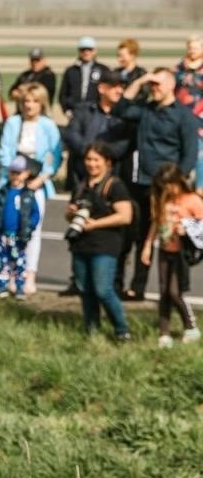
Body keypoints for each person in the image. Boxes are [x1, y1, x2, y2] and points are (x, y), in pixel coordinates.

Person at [116, 68, 201, 300]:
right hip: (142, 183)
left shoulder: (184, 116)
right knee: (140, 235)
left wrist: (176, 185)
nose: (154, 88)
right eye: (152, 85)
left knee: (174, 237)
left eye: (158, 84)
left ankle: (180, 289)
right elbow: (120, 109)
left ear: (171, 86)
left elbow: (190, 154)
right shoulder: (146, 111)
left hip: (169, 186)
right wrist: (141, 80)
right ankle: (137, 287)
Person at [0, 82, 61, 295]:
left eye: (34, 101)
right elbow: (4, 152)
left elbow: (55, 156)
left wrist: (41, 177)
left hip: (36, 183)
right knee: (8, 228)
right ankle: (9, 273)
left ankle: (28, 273)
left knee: (32, 230)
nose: (29, 106)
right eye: (25, 101)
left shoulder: (48, 126)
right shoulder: (13, 123)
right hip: (13, 180)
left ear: (42, 104)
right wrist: (16, 174)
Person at [66, 141, 133, 340]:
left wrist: (95, 224)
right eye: (88, 159)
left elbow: (125, 216)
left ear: (107, 162)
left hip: (105, 245)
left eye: (96, 160)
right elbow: (69, 215)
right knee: (85, 290)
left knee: (103, 290)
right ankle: (91, 331)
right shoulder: (81, 185)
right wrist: (71, 214)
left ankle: (122, 331)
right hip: (81, 244)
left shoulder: (115, 186)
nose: (91, 164)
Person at [139, 162, 203, 346]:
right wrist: (148, 245)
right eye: (163, 186)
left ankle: (190, 326)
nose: (168, 189)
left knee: (175, 292)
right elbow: (156, 222)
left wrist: (188, 229)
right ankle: (164, 332)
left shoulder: (192, 200)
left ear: (179, 181)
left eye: (170, 184)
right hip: (165, 250)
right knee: (164, 292)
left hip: (181, 252)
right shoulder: (163, 199)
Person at [0, 157, 39, 298]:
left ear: (26, 173)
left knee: (19, 262)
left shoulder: (28, 194)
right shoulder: (3, 192)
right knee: (2, 261)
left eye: (19, 173)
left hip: (19, 235)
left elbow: (35, 214)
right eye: (13, 172)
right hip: (3, 234)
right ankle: (2, 286)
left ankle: (20, 287)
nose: (15, 176)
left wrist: (30, 227)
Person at [59, 36, 107, 115]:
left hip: (96, 112)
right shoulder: (70, 71)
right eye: (83, 49)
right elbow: (63, 94)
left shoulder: (103, 70)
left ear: (95, 51)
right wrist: (66, 111)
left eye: (89, 49)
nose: (86, 52)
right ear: (79, 51)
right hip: (75, 111)